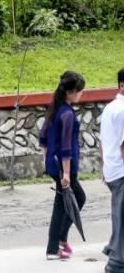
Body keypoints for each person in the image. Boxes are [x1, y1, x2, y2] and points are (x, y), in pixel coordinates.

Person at [39, 71, 87, 260]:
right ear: (71, 92)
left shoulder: (54, 107)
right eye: (80, 91)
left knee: (62, 203)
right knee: (75, 200)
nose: (81, 94)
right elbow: (66, 145)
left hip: (53, 163)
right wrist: (66, 173)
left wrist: (46, 159)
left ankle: (57, 244)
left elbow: (43, 136)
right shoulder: (66, 114)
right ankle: (57, 243)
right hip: (64, 167)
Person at [100, 69, 124, 273]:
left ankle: (112, 248)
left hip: (112, 170)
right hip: (122, 171)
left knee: (120, 213)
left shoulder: (109, 108)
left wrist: (103, 166)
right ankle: (116, 263)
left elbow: (102, 141)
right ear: (122, 86)